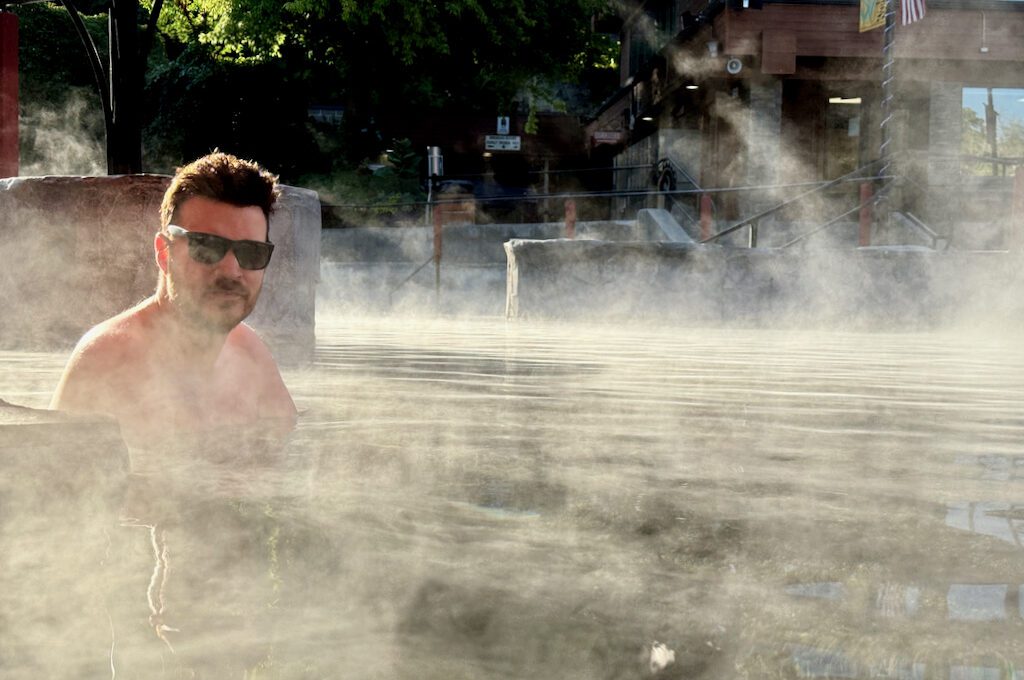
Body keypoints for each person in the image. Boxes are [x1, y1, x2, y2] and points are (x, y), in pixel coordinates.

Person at [51, 152, 297, 450]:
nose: (232, 271)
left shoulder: (252, 358)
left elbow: (290, 470)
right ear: (163, 252)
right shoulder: (108, 362)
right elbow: (59, 486)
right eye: (206, 247)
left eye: (251, 252)